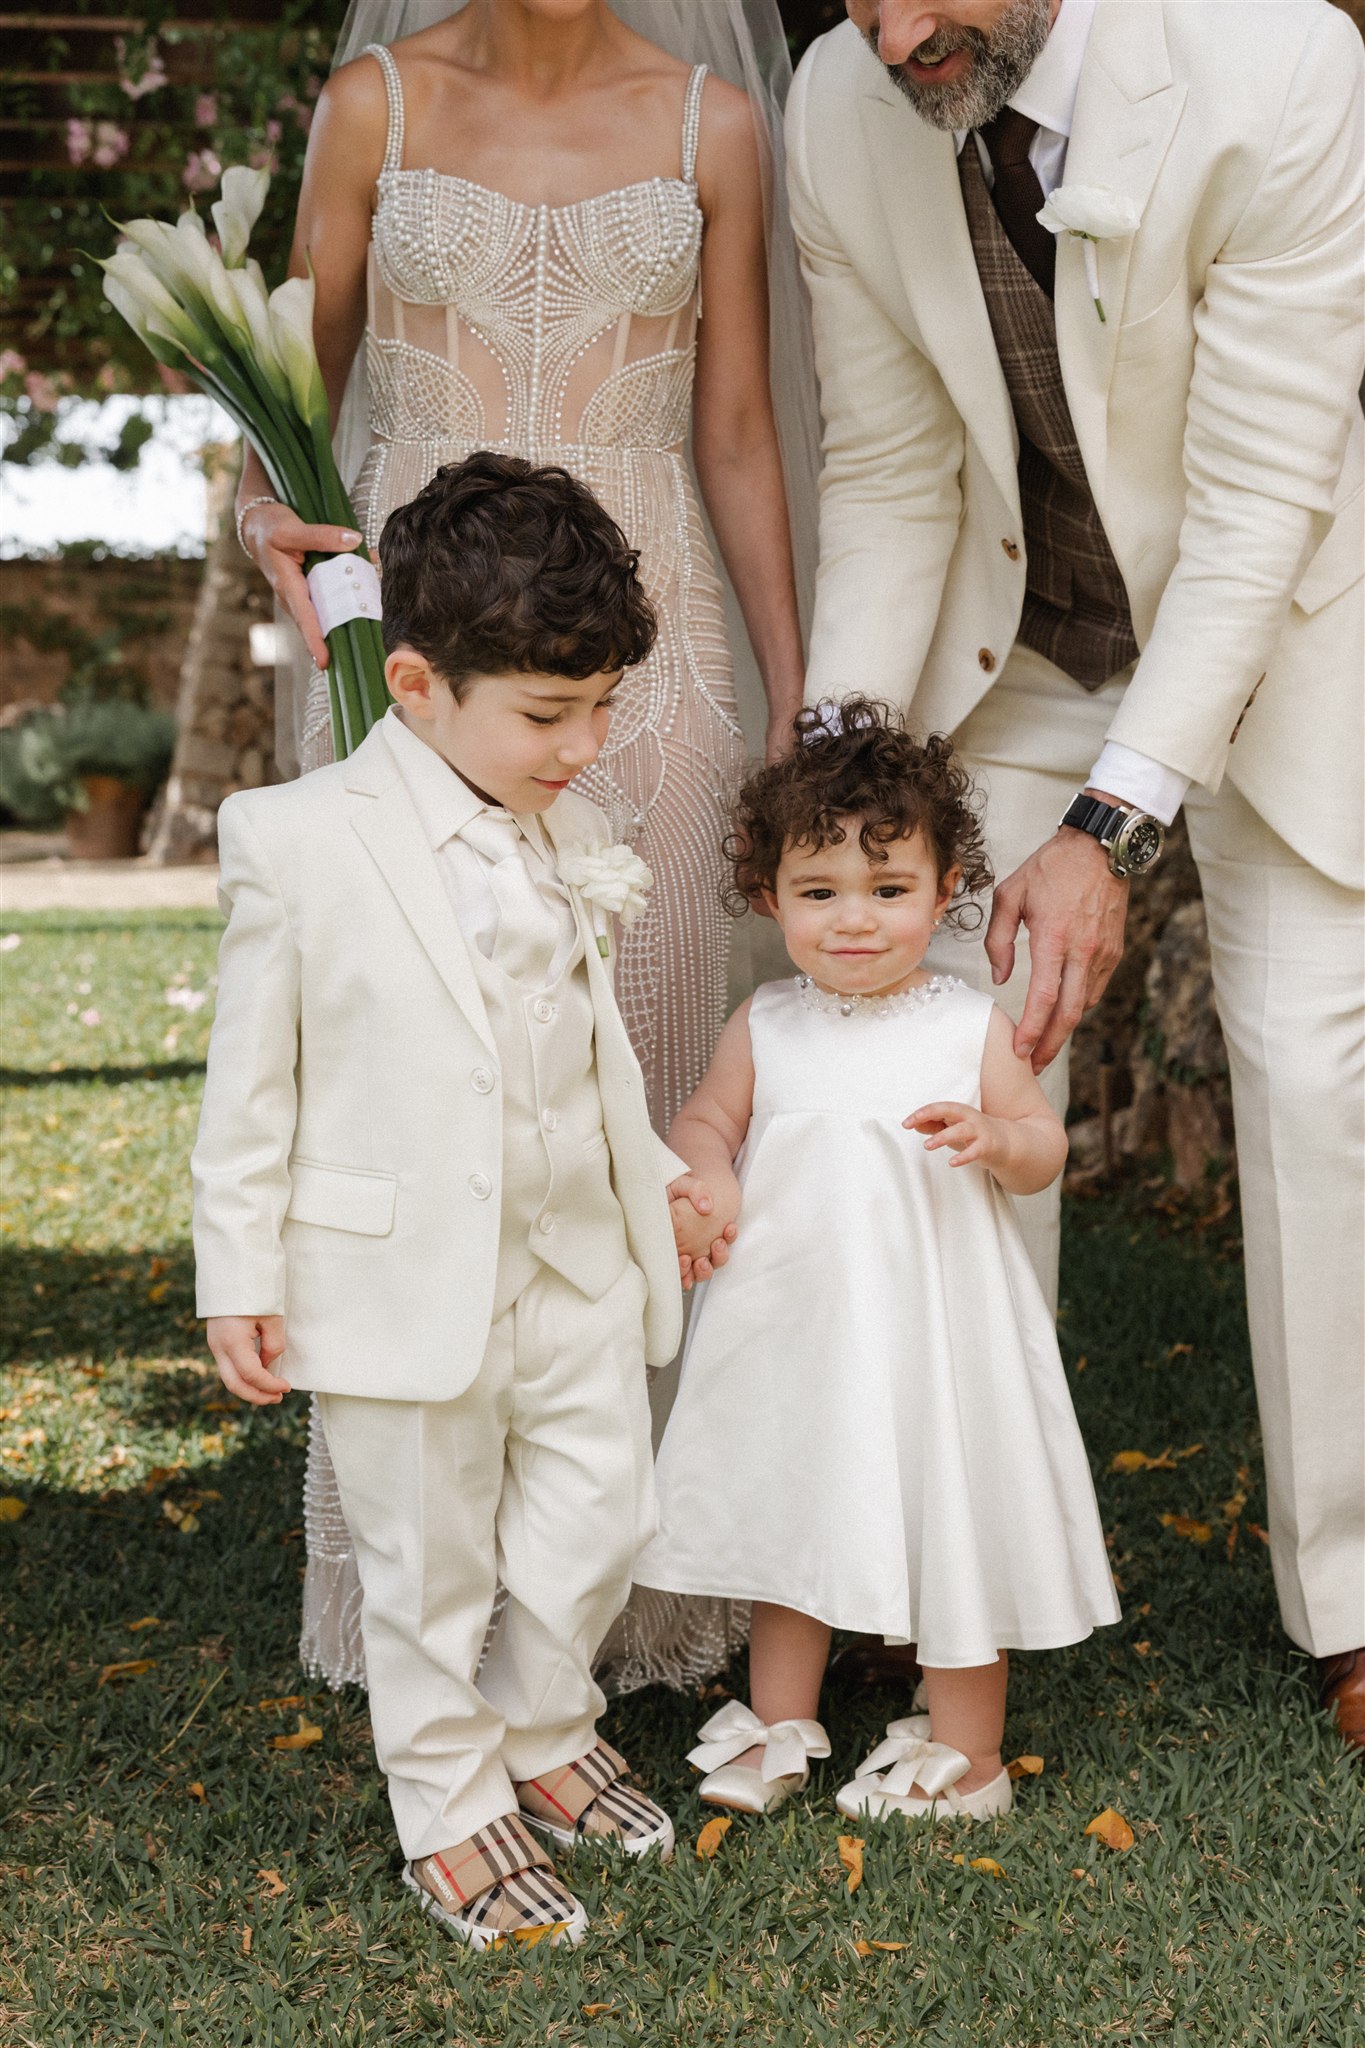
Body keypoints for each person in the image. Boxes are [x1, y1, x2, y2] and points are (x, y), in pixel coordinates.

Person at [785, 0, 1365, 1749]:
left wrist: (1112, 831)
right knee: (935, 1054)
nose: (893, 36)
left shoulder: (1284, 62)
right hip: (1027, 648)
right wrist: (845, 790)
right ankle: (949, 1569)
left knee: (1316, 1080)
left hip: (1288, 633)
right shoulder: (836, 100)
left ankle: (1352, 1595)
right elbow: (888, 473)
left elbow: (1268, 490)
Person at [233, 0, 819, 1697]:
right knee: (418, 1097)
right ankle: (425, 1605)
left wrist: (789, 700)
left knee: (621, 1124)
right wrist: (279, 536)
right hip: (409, 665)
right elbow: (286, 417)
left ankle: (615, 1610)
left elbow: (733, 436)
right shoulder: (374, 106)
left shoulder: (716, 122)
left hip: (649, 677)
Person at [193, 455, 732, 1946]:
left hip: (572, 1258)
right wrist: (237, 1272)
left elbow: (590, 1049)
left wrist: (662, 1184)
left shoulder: (558, 827)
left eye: (602, 708)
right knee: (426, 1566)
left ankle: (543, 1723)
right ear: (417, 684)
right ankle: (448, 1803)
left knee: (605, 1508)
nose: (585, 747)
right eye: (551, 716)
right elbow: (251, 1091)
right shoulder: (294, 842)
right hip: (397, 1276)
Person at [634, 699, 1119, 1818]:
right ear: (769, 896)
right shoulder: (766, 1021)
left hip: (933, 1327)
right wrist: (700, 1173)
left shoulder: (964, 1026)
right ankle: (779, 1718)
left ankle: (969, 1750)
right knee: (792, 1508)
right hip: (797, 1319)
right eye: (819, 893)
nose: (855, 919)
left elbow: (1042, 1145)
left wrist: (997, 1138)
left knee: (951, 1503)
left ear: (945, 889)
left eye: (888, 889)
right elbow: (708, 1116)